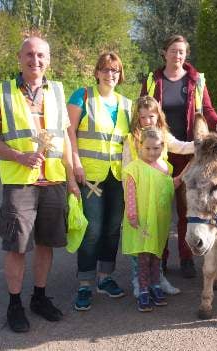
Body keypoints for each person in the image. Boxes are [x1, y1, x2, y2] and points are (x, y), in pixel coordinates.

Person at [0, 37, 80, 333]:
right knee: (17, 246)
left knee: (47, 243)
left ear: (48, 60)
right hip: (19, 182)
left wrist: (72, 178)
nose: (35, 60)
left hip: (54, 180)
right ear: (19, 57)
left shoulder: (58, 92)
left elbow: (65, 138)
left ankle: (39, 297)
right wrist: (18, 156)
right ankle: (15, 304)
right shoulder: (2, 93)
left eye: (41, 55)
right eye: (29, 54)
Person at [140, 34, 217, 279]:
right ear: (164, 52)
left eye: (181, 52)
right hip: (158, 153)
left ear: (186, 54)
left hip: (190, 154)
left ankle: (187, 258)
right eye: (173, 51)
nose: (177, 56)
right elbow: (142, 109)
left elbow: (208, 109)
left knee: (186, 208)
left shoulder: (196, 80)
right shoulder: (152, 79)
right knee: (158, 210)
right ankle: (160, 259)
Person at [67, 52, 131, 311]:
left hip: (118, 174)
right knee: (92, 229)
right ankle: (85, 283)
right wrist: (75, 165)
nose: (110, 74)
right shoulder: (81, 96)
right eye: (105, 69)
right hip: (89, 174)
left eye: (115, 70)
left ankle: (106, 278)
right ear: (96, 73)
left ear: (120, 74)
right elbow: (68, 132)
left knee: (113, 228)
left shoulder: (127, 104)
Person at [123, 95, 195, 296]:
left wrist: (203, 143)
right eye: (143, 117)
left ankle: (158, 279)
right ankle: (139, 281)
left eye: (151, 116)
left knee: (158, 242)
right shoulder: (131, 140)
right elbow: (126, 174)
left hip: (159, 202)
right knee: (140, 246)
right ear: (138, 117)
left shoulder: (163, 135)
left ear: (158, 116)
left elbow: (182, 146)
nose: (148, 120)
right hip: (139, 202)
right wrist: (130, 206)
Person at [122, 126, 175, 312]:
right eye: (148, 148)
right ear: (140, 146)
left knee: (156, 255)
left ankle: (155, 285)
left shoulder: (166, 168)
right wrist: (132, 215)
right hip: (142, 220)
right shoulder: (134, 168)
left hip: (158, 220)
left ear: (163, 147)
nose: (152, 152)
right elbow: (130, 193)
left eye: (157, 148)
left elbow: (168, 191)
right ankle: (143, 289)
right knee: (143, 257)